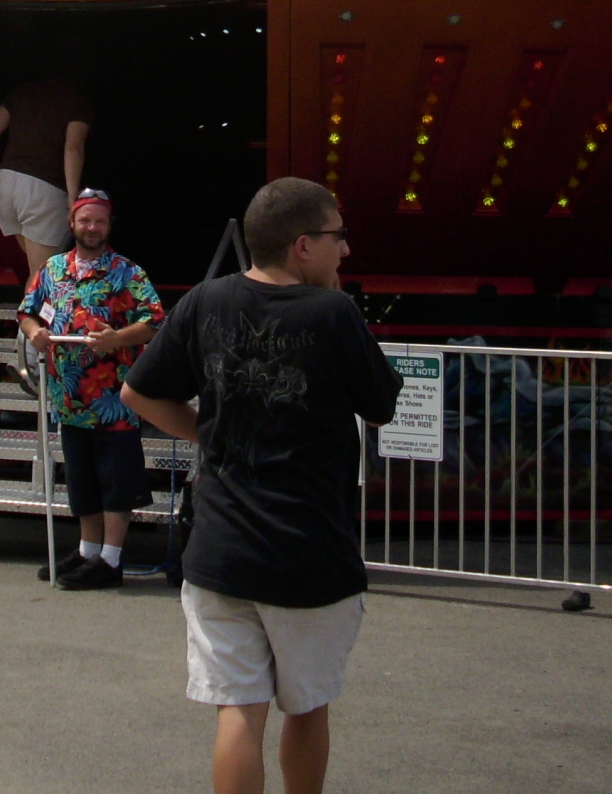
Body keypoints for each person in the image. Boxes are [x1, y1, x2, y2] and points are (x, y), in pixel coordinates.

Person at [121, 177, 401, 794]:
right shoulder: (334, 312)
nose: (344, 251)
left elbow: (137, 391)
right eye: (337, 237)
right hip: (310, 552)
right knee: (306, 708)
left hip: (221, 549)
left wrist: (205, 434)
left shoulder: (205, 300)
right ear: (303, 245)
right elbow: (381, 405)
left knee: (238, 715)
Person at [17, 188, 165, 591]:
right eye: (86, 220)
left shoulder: (127, 272)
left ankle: (111, 560)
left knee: (115, 481)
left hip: (114, 399)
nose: (92, 228)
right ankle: (87, 551)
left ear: (109, 225)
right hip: (69, 399)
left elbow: (153, 321)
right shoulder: (52, 269)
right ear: (73, 223)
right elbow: (28, 313)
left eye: (99, 221)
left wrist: (118, 339)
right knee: (82, 480)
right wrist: (37, 335)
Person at [0, 75, 92, 280]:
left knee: (39, 268)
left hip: (6, 184)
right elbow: (73, 147)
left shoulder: (22, 92)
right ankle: (32, 313)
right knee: (43, 276)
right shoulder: (77, 102)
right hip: (42, 189)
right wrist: (73, 196)